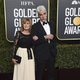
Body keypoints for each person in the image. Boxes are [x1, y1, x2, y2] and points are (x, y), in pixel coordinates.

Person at [31, 5, 57, 80]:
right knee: (39, 75)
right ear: (38, 15)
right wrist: (45, 37)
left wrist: (54, 50)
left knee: (51, 75)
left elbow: (54, 38)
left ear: (46, 14)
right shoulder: (35, 26)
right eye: (40, 14)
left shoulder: (52, 24)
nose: (43, 16)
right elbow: (34, 42)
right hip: (40, 54)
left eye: (44, 14)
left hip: (51, 53)